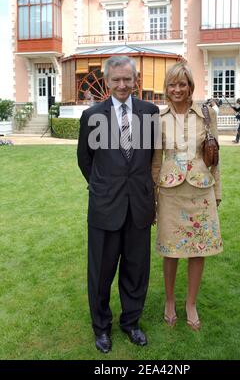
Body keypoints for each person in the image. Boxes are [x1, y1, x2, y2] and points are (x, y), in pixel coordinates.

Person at [77, 56, 159, 354]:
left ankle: (131, 322)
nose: (122, 85)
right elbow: (85, 160)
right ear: (107, 81)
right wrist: (103, 185)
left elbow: (151, 157)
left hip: (139, 205)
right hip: (105, 207)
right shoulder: (92, 116)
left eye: (127, 79)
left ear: (135, 80)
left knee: (136, 270)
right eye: (116, 80)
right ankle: (101, 327)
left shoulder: (149, 113)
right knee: (100, 273)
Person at [152, 62, 223, 331]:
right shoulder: (158, 120)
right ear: (166, 88)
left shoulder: (207, 115)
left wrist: (217, 191)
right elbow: (155, 162)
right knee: (170, 250)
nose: (177, 89)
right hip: (170, 192)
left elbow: (215, 158)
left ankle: (190, 303)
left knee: (199, 248)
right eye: (172, 84)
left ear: (190, 86)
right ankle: (170, 301)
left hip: (201, 190)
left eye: (183, 84)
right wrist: (152, 198)